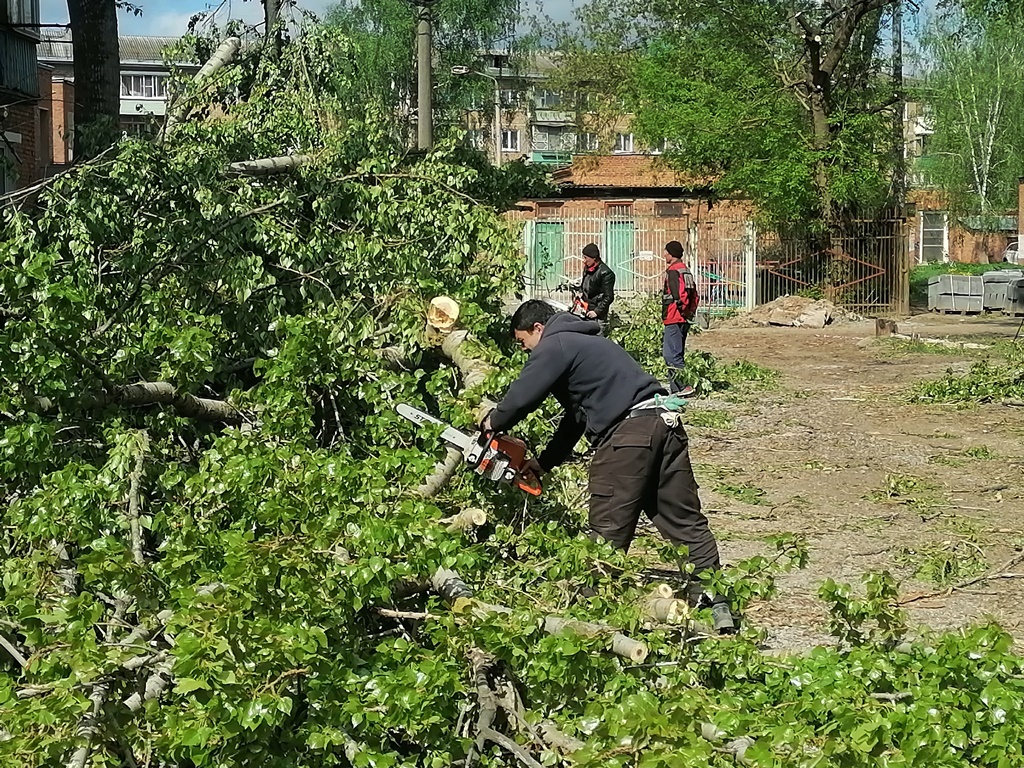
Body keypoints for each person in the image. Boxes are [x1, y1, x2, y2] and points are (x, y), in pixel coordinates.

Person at [482, 300, 735, 632]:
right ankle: (716, 603)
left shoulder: (556, 343)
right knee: (684, 520)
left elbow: (523, 396)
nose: (526, 351)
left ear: (537, 329)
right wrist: (542, 464)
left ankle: (591, 617)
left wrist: (492, 422)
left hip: (627, 435)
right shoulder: (587, 343)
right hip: (663, 424)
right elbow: (575, 421)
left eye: (523, 342)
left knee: (607, 530)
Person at [662, 240, 699, 396]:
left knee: (670, 355)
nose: (664, 254)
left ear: (671, 254)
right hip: (683, 318)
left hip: (674, 317)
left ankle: (684, 386)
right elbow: (695, 296)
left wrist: (682, 311)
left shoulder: (673, 271)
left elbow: (679, 296)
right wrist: (689, 313)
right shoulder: (686, 270)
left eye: (665, 252)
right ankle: (676, 390)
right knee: (677, 353)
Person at [579, 243, 616, 323]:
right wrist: (580, 294)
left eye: (586, 258)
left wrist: (597, 311)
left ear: (594, 258)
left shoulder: (606, 273)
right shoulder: (588, 269)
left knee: (598, 335)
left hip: (597, 317)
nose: (584, 261)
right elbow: (584, 286)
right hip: (586, 311)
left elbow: (609, 297)